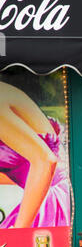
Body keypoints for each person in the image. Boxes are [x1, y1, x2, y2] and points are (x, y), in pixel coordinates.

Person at [0, 81, 70, 228]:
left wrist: (19, 231)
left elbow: (46, 161)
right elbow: (21, 170)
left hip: (50, 203)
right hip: (41, 199)